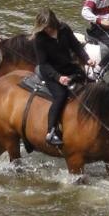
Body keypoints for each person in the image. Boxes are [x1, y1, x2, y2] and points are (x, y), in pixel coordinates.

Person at [32, 8, 96, 146]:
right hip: (51, 72)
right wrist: (58, 78)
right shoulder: (39, 39)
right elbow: (43, 64)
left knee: (91, 83)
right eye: (44, 28)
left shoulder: (64, 29)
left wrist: (87, 59)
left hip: (67, 66)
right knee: (60, 95)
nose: (47, 30)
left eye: (48, 27)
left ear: (54, 22)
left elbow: (76, 46)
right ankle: (51, 132)